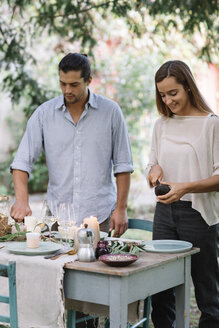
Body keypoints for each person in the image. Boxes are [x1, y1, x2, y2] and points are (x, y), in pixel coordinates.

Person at [10, 53, 133, 328]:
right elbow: (21, 163)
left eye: (74, 84)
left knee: (94, 295)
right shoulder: (44, 114)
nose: (68, 90)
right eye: (63, 83)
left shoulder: (111, 112)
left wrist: (121, 208)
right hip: (58, 220)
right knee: (58, 290)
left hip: (99, 216)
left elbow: (123, 166)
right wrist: (21, 200)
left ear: (89, 80)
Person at [146, 60, 219, 328]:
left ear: (188, 86)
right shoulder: (161, 124)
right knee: (161, 291)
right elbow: (151, 163)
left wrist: (185, 187)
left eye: (172, 93)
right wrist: (153, 171)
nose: (167, 100)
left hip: (198, 215)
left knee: (207, 294)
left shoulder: (211, 124)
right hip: (164, 214)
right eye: (162, 95)